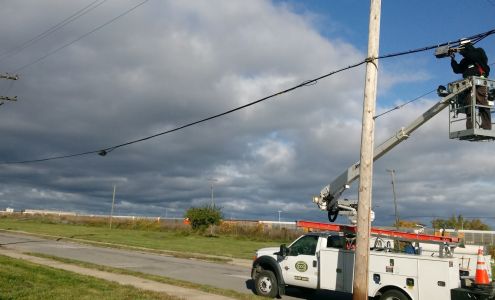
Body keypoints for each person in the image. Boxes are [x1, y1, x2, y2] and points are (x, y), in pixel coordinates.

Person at [451, 43, 492, 130]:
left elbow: (474, 57)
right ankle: (470, 127)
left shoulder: (479, 51)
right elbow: (458, 69)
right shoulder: (465, 60)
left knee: (482, 101)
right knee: (469, 104)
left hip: (480, 81)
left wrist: (462, 51)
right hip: (468, 83)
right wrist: (452, 60)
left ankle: (486, 126)